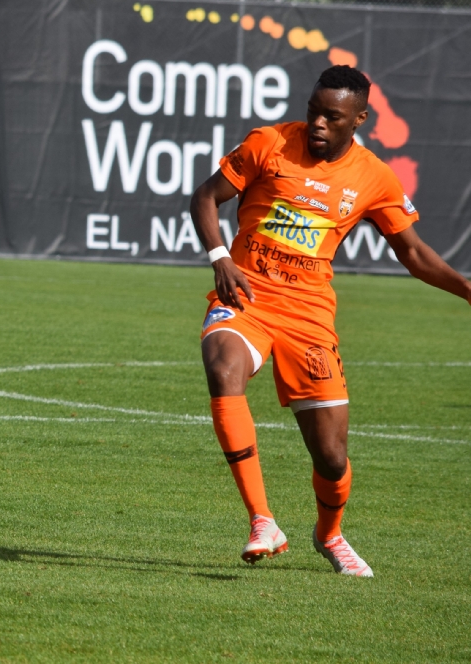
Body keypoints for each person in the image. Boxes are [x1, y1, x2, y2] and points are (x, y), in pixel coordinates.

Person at [190, 65, 471, 577]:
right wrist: (220, 257)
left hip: (309, 316)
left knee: (332, 457)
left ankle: (330, 534)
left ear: (359, 119)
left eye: (332, 117)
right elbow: (205, 197)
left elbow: (413, 253)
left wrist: (467, 290)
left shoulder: (374, 177)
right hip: (248, 297)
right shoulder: (269, 143)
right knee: (222, 367)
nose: (318, 123)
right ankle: (262, 520)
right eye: (313, 111)